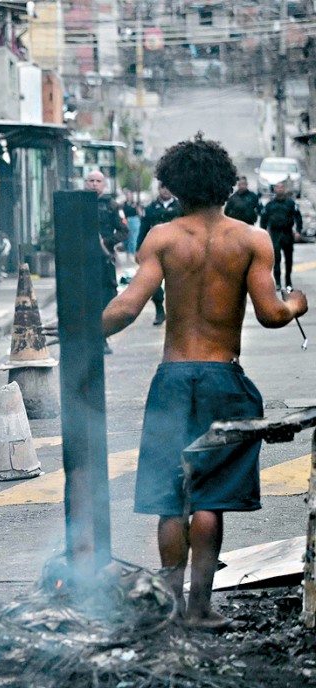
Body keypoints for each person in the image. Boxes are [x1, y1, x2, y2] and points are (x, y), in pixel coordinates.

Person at [101, 134, 307, 630]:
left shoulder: (163, 238)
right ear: (223, 184)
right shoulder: (251, 240)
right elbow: (273, 313)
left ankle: (169, 609)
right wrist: (298, 302)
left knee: (172, 499)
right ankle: (200, 608)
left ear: (174, 186)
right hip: (223, 379)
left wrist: (81, 331)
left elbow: (127, 307)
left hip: (172, 379)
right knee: (210, 497)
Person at [85, 170, 128, 354]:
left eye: (98, 181)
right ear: (86, 183)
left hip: (105, 259)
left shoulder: (111, 205)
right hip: (85, 260)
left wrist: (107, 242)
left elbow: (124, 231)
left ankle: (102, 337)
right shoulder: (81, 203)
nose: (94, 184)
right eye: (91, 181)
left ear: (104, 184)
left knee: (106, 297)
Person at [139, 183, 182, 325]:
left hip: (177, 249)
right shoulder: (151, 208)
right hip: (156, 250)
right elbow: (143, 228)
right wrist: (139, 248)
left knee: (177, 283)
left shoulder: (180, 207)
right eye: (164, 187)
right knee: (154, 282)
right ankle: (159, 310)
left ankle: (176, 314)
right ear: (159, 189)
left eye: (169, 187)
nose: (166, 190)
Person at [260, 181, 303, 290]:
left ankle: (288, 281)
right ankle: (278, 282)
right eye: (277, 187)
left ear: (284, 189)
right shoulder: (270, 205)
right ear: (274, 189)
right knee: (276, 258)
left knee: (289, 259)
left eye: (281, 187)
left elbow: (298, 217)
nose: (279, 189)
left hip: (287, 233)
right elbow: (263, 219)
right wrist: (263, 233)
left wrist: (298, 230)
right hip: (275, 234)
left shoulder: (290, 203)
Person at [122, 190, 141, 262]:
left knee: (134, 238)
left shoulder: (135, 204)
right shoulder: (124, 205)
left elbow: (139, 213)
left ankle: (133, 254)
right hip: (127, 220)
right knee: (127, 239)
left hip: (135, 220)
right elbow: (123, 215)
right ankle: (128, 253)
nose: (128, 196)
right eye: (127, 195)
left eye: (129, 195)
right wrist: (125, 222)